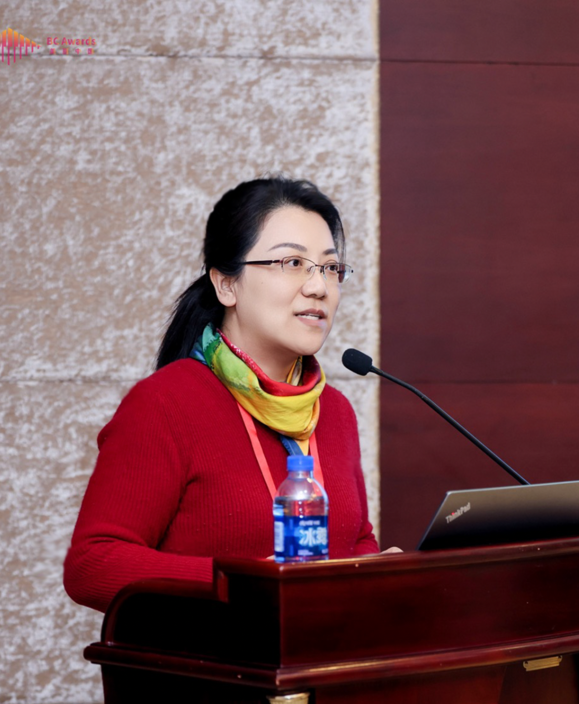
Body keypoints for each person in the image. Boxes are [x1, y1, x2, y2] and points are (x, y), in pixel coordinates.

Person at [63, 177, 385, 612]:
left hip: (321, 652)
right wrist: (241, 584)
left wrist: (377, 571)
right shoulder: (166, 404)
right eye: (293, 263)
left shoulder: (333, 411)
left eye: (330, 268)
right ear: (226, 285)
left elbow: (356, 539)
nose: (319, 287)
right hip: (215, 654)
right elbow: (92, 564)